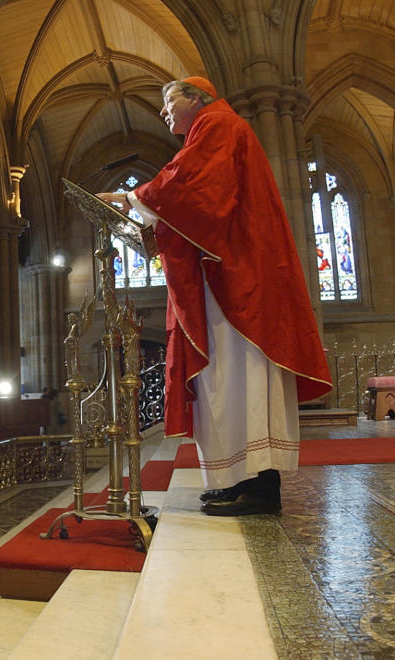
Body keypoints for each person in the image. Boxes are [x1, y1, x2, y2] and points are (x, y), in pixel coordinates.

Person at [98, 76, 332, 517]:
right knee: (225, 383)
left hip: (239, 281)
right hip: (222, 277)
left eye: (169, 101)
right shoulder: (206, 132)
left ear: (196, 97)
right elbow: (186, 188)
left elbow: (193, 187)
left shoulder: (219, 124)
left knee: (244, 376)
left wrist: (131, 200)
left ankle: (262, 489)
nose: (164, 112)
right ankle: (236, 479)